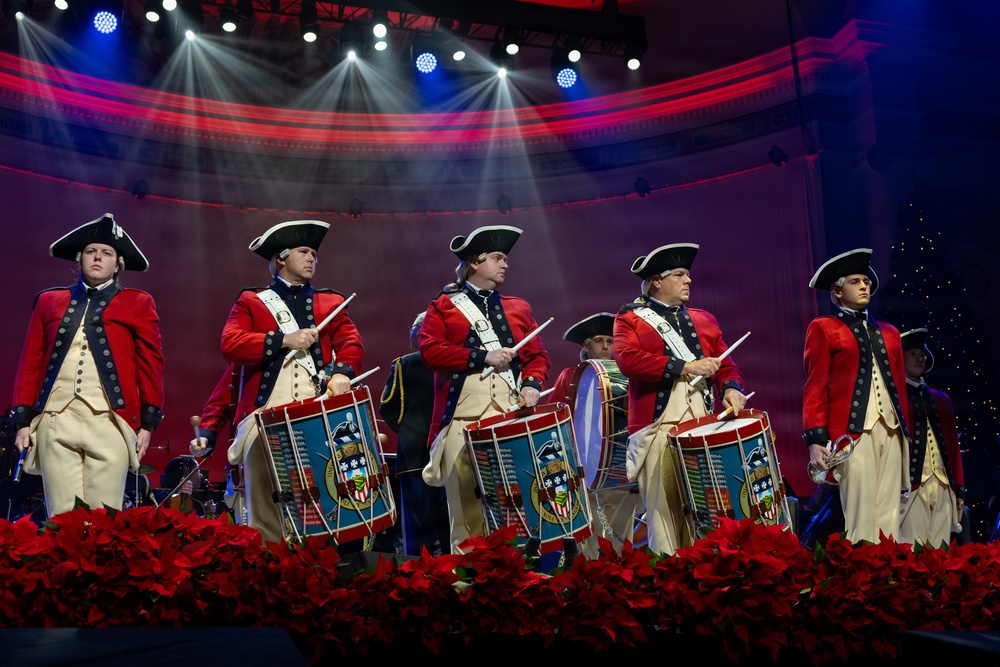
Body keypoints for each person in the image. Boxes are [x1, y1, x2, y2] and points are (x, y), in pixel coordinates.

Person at [191, 219, 364, 543]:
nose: (312, 258)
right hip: (263, 419)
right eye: (304, 251)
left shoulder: (330, 302)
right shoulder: (251, 302)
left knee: (317, 504)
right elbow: (231, 343)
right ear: (281, 258)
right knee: (264, 510)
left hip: (316, 418)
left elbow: (351, 343)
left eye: (314, 252)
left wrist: (341, 372)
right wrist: (284, 340)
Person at [10, 213, 165, 518]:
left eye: (106, 253)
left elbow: (151, 363)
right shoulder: (48, 301)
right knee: (61, 517)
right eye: (91, 252)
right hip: (56, 418)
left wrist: (147, 423)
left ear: (117, 264)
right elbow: (29, 363)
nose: (98, 257)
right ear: (80, 259)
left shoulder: (138, 302)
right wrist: (22, 420)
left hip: (109, 421)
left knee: (105, 516)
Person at [420, 225, 551, 554]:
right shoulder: (443, 306)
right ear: (475, 263)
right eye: (497, 258)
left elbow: (537, 356)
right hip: (462, 420)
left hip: (509, 420)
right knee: (466, 511)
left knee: (515, 505)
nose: (505, 264)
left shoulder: (519, 307)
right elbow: (430, 351)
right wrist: (482, 356)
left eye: (506, 258)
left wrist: (533, 386)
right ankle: (468, 581)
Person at [613, 243, 746, 556]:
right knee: (663, 511)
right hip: (659, 426)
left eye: (688, 275)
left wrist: (730, 387)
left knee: (707, 506)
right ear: (657, 280)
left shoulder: (704, 320)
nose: (689, 280)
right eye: (680, 274)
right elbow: (627, 359)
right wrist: (685, 366)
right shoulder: (630, 318)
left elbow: (726, 364)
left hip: (701, 425)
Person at [803, 248, 910, 544]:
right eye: (855, 281)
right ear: (837, 291)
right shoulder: (824, 328)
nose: (864, 286)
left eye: (866, 280)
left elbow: (899, 389)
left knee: (890, 512)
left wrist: (906, 434)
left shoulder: (889, 333)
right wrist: (815, 439)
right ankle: (862, 577)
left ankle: (890, 575)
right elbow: (815, 386)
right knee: (860, 511)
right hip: (851, 435)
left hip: (890, 429)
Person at [553, 312, 640, 558]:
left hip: (621, 465)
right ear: (586, 345)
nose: (605, 346)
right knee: (588, 536)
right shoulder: (571, 376)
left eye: (610, 341)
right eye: (599, 340)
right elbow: (555, 418)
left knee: (621, 536)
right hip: (583, 466)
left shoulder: (630, 376)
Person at [379, 312, 450, 556]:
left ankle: (419, 578)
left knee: (418, 528)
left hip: (414, 456)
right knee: (452, 522)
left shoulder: (404, 364)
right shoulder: (456, 364)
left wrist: (411, 430)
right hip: (450, 452)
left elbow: (388, 407)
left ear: (421, 332)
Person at [898, 328, 965, 547]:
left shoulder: (941, 399)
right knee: (911, 550)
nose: (920, 358)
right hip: (912, 486)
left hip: (944, 485)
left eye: (922, 353)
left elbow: (953, 449)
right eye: (913, 353)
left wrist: (959, 489)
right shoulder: (895, 398)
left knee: (941, 553)